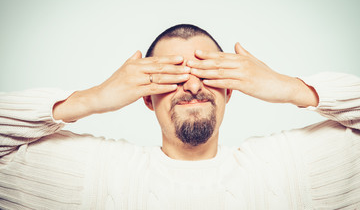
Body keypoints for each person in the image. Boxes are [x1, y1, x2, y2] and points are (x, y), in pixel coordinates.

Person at [0, 24, 359, 210]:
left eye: (208, 74)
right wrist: (92, 98)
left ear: (230, 89)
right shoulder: (98, 173)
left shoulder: (288, 168)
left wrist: (290, 87)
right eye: (171, 76)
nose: (190, 85)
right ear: (146, 98)